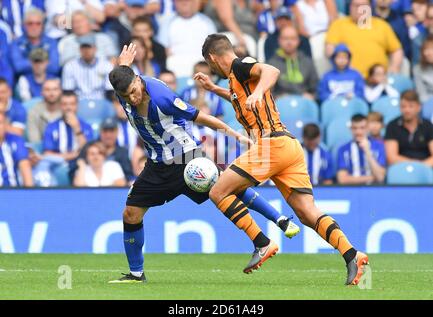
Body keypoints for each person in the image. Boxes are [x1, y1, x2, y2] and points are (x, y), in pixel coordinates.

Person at [107, 44, 300, 283]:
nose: (132, 98)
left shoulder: (162, 97)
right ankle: (137, 274)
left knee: (229, 189)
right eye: (126, 96)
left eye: (134, 91)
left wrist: (234, 133)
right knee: (131, 214)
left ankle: (277, 223)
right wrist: (122, 65)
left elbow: (201, 118)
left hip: (187, 158)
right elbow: (122, 74)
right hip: (157, 166)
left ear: (138, 80)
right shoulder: (123, 86)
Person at [195, 33, 368, 284]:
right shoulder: (236, 79)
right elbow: (240, 97)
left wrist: (259, 92)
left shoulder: (240, 67)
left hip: (271, 146)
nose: (212, 69)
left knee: (218, 192)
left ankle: (261, 243)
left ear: (212, 58)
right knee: (307, 213)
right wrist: (214, 89)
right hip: (288, 146)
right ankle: (353, 255)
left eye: (210, 65)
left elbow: (272, 71)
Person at [325, 0, 403, 78]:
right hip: (349, 79)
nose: (359, 9)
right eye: (356, 5)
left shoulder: (382, 25)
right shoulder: (338, 25)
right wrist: (341, 67)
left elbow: (397, 50)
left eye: (363, 5)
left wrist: (394, 69)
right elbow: (330, 49)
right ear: (350, 7)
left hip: (378, 78)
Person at [268, 25, 318, 99]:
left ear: (298, 41)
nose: (289, 42)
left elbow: (316, 88)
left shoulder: (307, 62)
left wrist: (312, 96)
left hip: (304, 104)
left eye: (293, 38)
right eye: (285, 38)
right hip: (280, 106)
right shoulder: (271, 64)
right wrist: (276, 97)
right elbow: (267, 91)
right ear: (279, 40)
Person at [385, 90, 433, 167]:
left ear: (419, 107)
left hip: (426, 168)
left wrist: (422, 167)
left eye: (411, 106)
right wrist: (414, 165)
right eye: (403, 106)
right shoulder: (392, 126)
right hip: (401, 168)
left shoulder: (428, 126)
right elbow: (391, 157)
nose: (407, 110)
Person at [42, 91, 93, 162]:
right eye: (65, 104)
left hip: (80, 164)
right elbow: (47, 154)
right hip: (57, 165)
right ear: (60, 106)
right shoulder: (51, 126)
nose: (68, 107)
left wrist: (77, 128)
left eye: (72, 104)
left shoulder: (86, 127)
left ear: (77, 106)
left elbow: (88, 152)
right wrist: (74, 155)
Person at [9, 7, 60, 78]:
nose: (34, 27)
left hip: (48, 83)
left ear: (43, 25)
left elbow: (55, 67)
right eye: (30, 23)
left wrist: (30, 63)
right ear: (24, 25)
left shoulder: (51, 42)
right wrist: (42, 63)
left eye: (38, 23)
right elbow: (17, 67)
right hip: (24, 83)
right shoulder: (16, 44)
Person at [336, 114, 386, 185]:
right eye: (355, 128)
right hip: (351, 190)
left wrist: (367, 152)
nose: (358, 132)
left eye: (362, 128)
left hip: (373, 190)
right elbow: (342, 179)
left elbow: (380, 177)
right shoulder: (343, 149)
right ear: (350, 129)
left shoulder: (378, 146)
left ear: (368, 128)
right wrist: (372, 178)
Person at [62, 34, 113, 101]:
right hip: (78, 103)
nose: (86, 50)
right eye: (83, 47)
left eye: (89, 47)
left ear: (95, 48)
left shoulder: (106, 65)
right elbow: (68, 91)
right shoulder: (70, 66)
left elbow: (110, 91)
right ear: (80, 49)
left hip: (101, 102)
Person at [0, 112, 33, 186]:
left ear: (6, 125)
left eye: (0, 123)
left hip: (11, 192)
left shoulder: (15, 140)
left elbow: (25, 167)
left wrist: (30, 194)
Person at [27, 78, 62, 143]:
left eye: (55, 89)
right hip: (43, 151)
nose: (52, 93)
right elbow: (35, 141)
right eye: (47, 90)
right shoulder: (34, 112)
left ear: (60, 92)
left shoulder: (66, 109)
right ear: (42, 92)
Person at [413, 35, 433, 104]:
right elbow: (422, 96)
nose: (426, 53)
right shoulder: (417, 69)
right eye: (424, 50)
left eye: (430, 49)